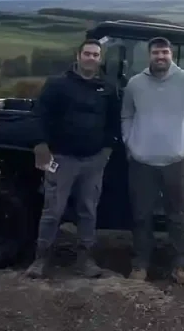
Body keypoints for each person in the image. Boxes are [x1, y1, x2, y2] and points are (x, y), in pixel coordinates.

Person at [25, 39, 120, 279]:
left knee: (88, 210)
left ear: (100, 59)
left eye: (96, 55)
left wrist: (106, 152)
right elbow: (40, 116)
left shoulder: (107, 88)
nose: (91, 58)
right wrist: (41, 147)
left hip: (93, 161)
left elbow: (113, 124)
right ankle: (40, 258)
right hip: (60, 158)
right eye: (87, 53)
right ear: (78, 56)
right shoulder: (58, 84)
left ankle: (85, 260)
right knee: (53, 209)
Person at [121, 36, 184, 284]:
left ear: (171, 55)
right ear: (149, 56)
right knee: (141, 216)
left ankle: (180, 265)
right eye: (156, 53)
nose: (161, 57)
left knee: (176, 216)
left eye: (165, 53)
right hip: (142, 161)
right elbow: (127, 116)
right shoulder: (135, 84)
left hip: (176, 161)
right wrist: (130, 141)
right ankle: (140, 265)